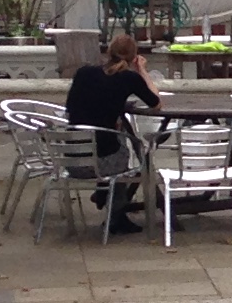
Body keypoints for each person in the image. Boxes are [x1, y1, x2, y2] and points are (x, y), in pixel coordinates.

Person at [64, 32, 162, 227]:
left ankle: (104, 192)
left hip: (71, 159)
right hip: (102, 164)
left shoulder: (83, 73)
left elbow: (70, 108)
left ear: (109, 52)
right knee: (124, 148)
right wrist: (141, 70)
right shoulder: (128, 78)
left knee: (111, 141)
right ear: (134, 56)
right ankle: (116, 216)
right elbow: (156, 103)